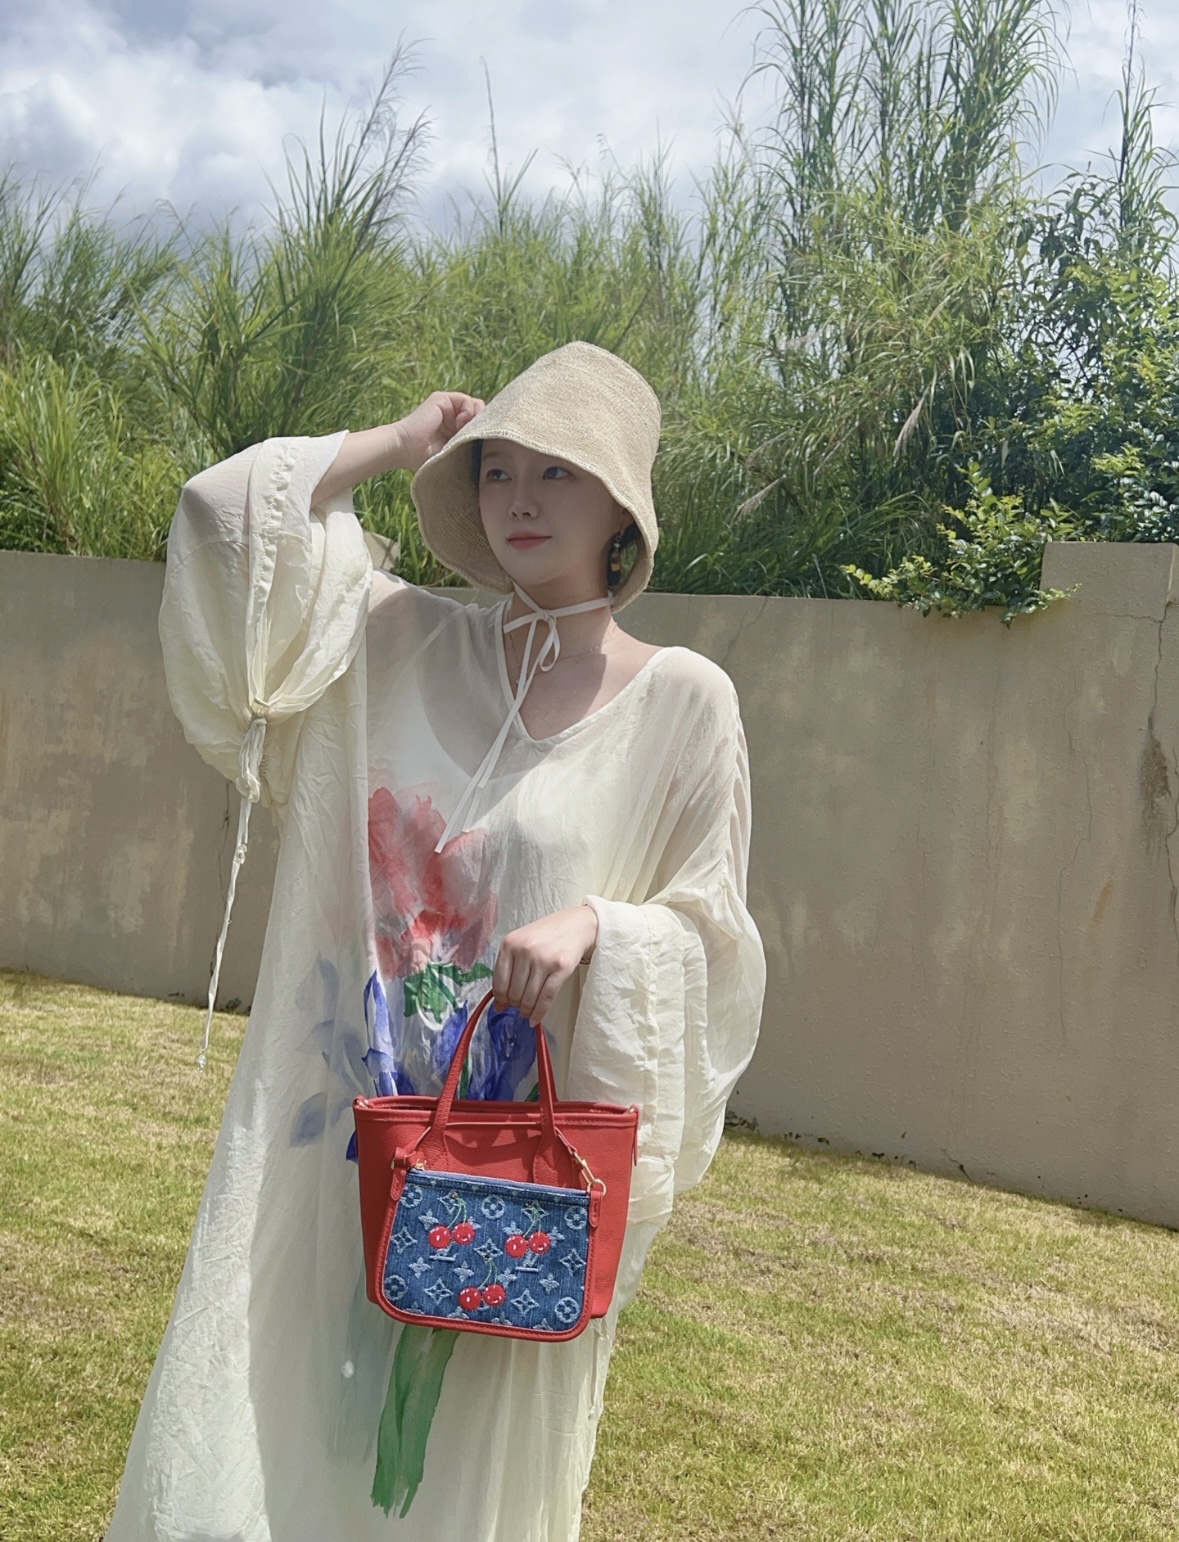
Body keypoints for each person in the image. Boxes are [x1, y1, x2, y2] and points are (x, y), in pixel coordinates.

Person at [106, 341, 766, 1542]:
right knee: (280, 1452)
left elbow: (715, 942)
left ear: (622, 505)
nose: (517, 496)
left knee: (453, 1481)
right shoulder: (396, 637)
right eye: (494, 469)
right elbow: (218, 515)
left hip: (510, 1198)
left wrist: (603, 927)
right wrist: (403, 443)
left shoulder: (685, 702)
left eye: (557, 471)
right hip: (335, 1153)